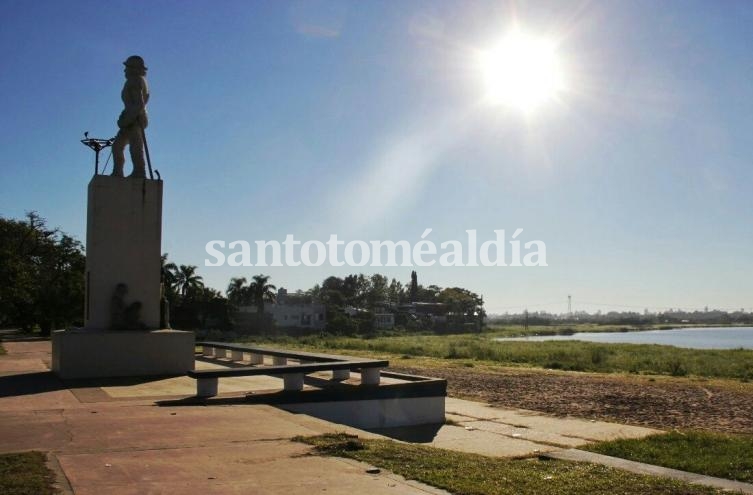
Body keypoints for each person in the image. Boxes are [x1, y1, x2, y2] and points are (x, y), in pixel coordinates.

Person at [111, 55, 150, 178]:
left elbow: (139, 104)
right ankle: (119, 171)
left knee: (133, 146)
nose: (125, 70)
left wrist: (126, 120)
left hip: (134, 119)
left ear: (133, 68)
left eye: (127, 67)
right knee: (120, 146)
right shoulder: (138, 80)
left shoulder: (135, 81)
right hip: (132, 118)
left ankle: (138, 171)